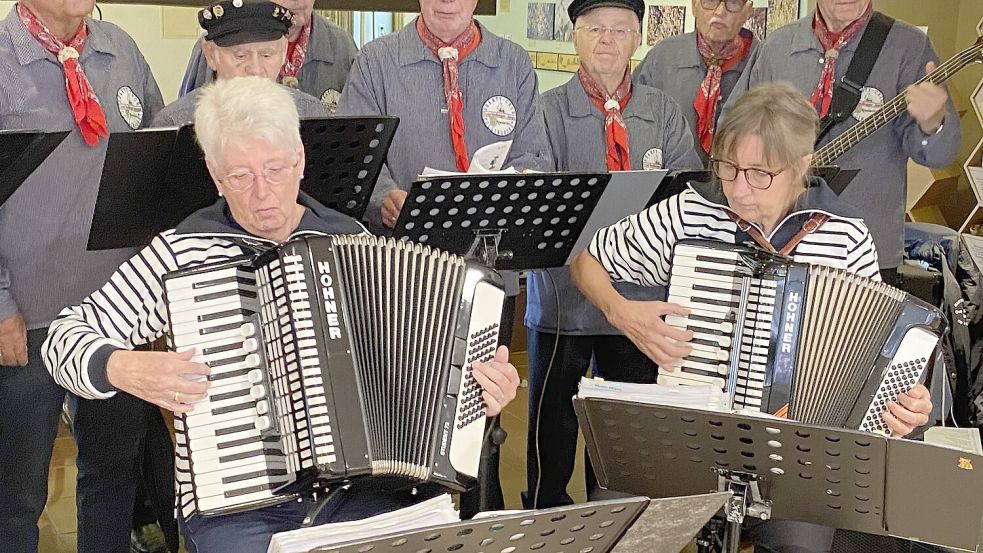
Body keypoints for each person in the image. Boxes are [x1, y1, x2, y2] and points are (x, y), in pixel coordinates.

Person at [41, 76, 522, 553]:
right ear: (214, 175)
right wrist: (119, 365)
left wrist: (477, 397)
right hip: (240, 507)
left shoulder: (352, 240)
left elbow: (416, 374)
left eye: (274, 170)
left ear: (300, 160)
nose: (262, 193)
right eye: (240, 176)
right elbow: (61, 339)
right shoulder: (182, 253)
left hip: (369, 494)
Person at [571, 82, 934, 553]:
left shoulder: (845, 236)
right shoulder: (690, 212)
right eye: (730, 168)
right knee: (617, 529)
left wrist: (905, 407)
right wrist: (625, 314)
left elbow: (878, 358)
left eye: (760, 174)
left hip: (794, 456)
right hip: (689, 437)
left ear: (802, 165)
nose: (739, 189)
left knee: (803, 545)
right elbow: (586, 261)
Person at [522, 0, 701, 510]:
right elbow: (540, 211)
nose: (606, 39)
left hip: (643, 308)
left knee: (625, 454)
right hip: (563, 308)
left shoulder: (663, 113)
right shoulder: (546, 112)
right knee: (550, 446)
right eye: (593, 28)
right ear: (574, 38)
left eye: (620, 29)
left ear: (637, 38)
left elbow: (687, 196)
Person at [0, 1, 163, 552]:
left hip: (116, 309)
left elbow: (158, 156)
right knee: (16, 492)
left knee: (112, 471)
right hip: (27, 313)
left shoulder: (120, 50)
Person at [726, 0, 959, 285]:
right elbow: (733, 132)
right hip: (774, 247)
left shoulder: (909, 47)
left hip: (865, 255)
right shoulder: (777, 47)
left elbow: (939, 155)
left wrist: (933, 123)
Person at [336, 0, 552, 232]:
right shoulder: (373, 62)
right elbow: (355, 156)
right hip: (402, 252)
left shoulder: (515, 64)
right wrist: (383, 197)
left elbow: (533, 157)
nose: (447, 0)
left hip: (491, 246)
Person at [154, 0, 328, 127]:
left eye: (266, 55)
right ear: (210, 54)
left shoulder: (309, 115)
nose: (255, 69)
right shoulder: (177, 123)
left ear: (283, 52)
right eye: (240, 56)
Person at [634, 0, 757, 165]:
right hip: (673, 183)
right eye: (710, 1)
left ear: (747, 12)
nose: (720, 12)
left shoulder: (762, 61)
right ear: (694, 6)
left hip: (745, 184)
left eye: (733, 3)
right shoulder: (662, 57)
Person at [179, 0, 356, 113]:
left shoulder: (340, 43)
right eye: (240, 55)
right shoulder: (218, 44)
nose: (296, 1)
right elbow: (191, 112)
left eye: (266, 54)